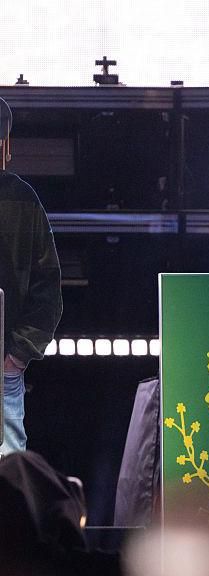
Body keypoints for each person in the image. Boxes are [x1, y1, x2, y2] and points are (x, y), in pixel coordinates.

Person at [0, 97, 63, 458]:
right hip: (4, 362)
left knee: (9, 474)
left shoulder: (23, 199)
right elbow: (48, 287)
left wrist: (16, 356)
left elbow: (47, 286)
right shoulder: (23, 199)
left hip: (3, 363)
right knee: (9, 479)